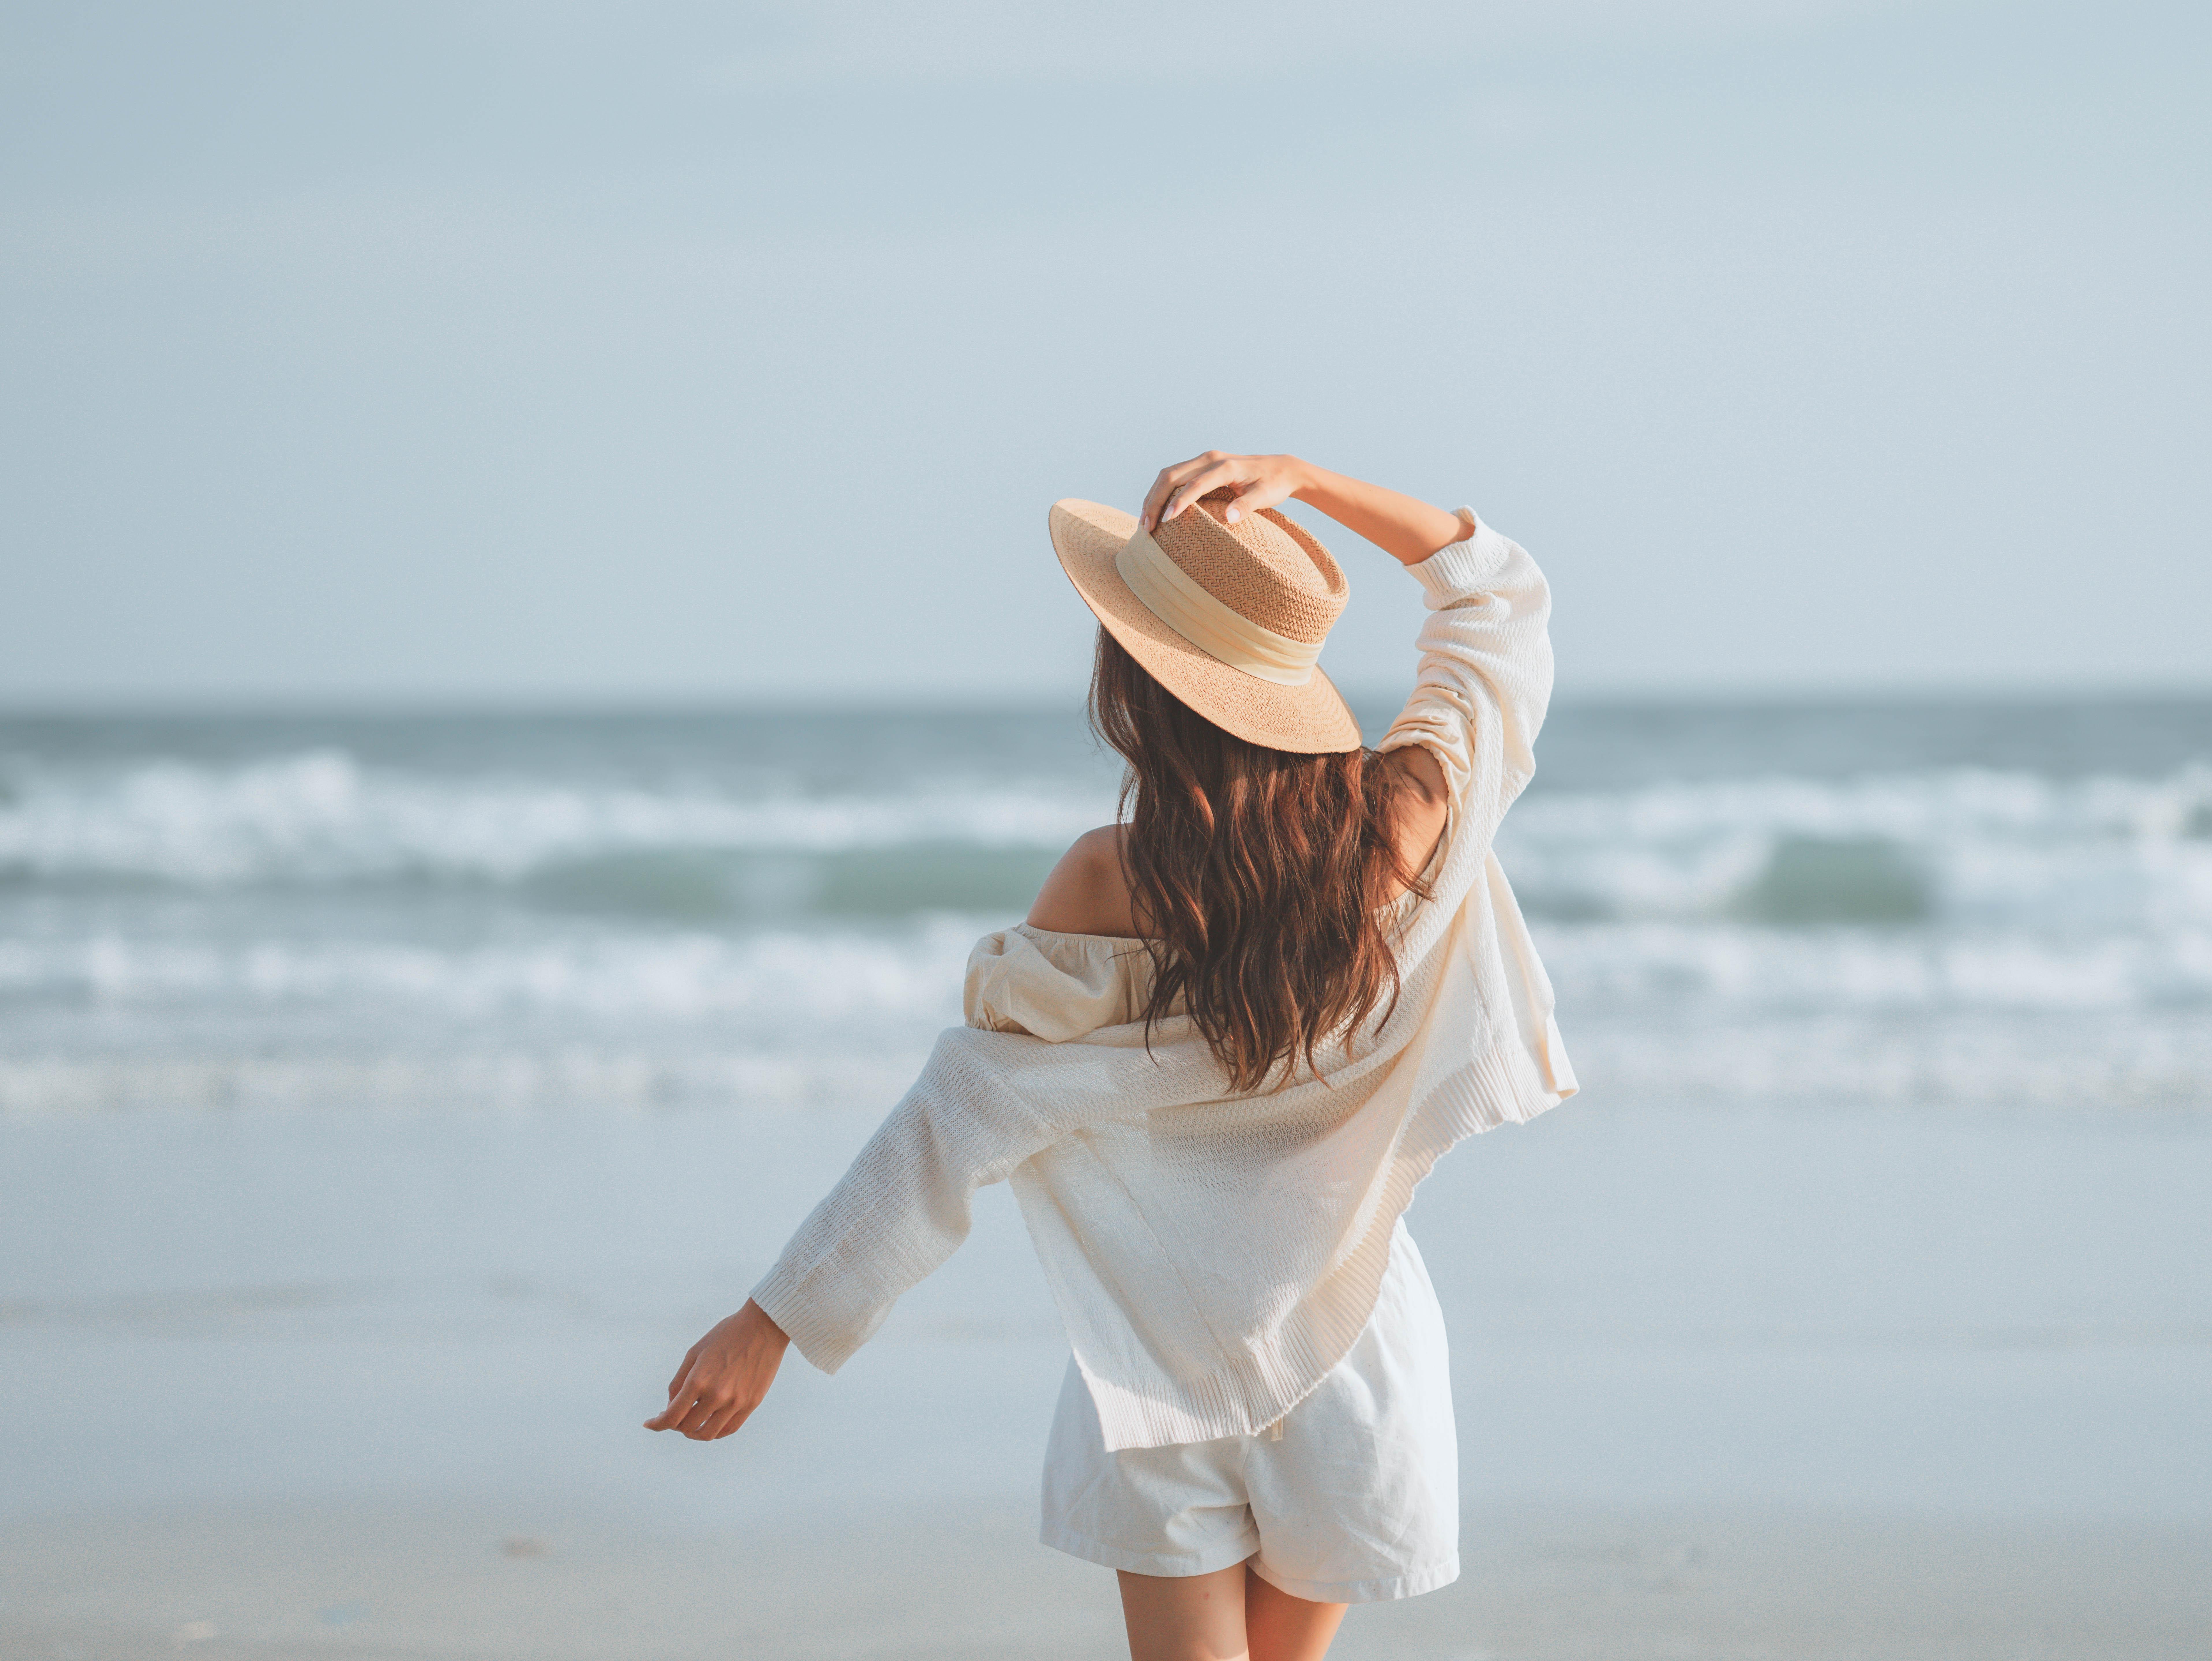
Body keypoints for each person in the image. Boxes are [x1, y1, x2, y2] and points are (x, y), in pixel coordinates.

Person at [645, 451, 1574, 1661]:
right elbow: (1494, 599)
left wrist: (774, 1320)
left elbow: (960, 1119)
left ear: (1137, 675)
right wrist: (1308, 482)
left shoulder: (1106, 878)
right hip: (1354, 1340)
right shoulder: (1410, 819)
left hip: (1156, 1359)